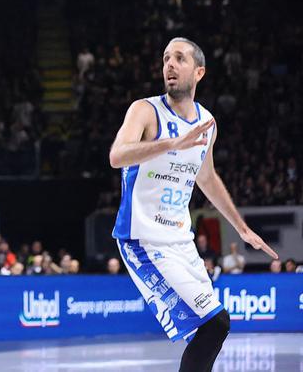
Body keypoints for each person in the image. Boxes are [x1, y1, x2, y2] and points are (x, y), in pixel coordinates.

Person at [109, 37, 277, 371]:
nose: (169, 65)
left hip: (180, 241)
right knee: (215, 323)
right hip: (142, 239)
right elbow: (117, 155)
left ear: (199, 71)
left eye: (179, 59)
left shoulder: (207, 122)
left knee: (212, 328)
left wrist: (242, 228)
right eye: (166, 58)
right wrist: (172, 143)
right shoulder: (145, 110)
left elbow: (208, 178)